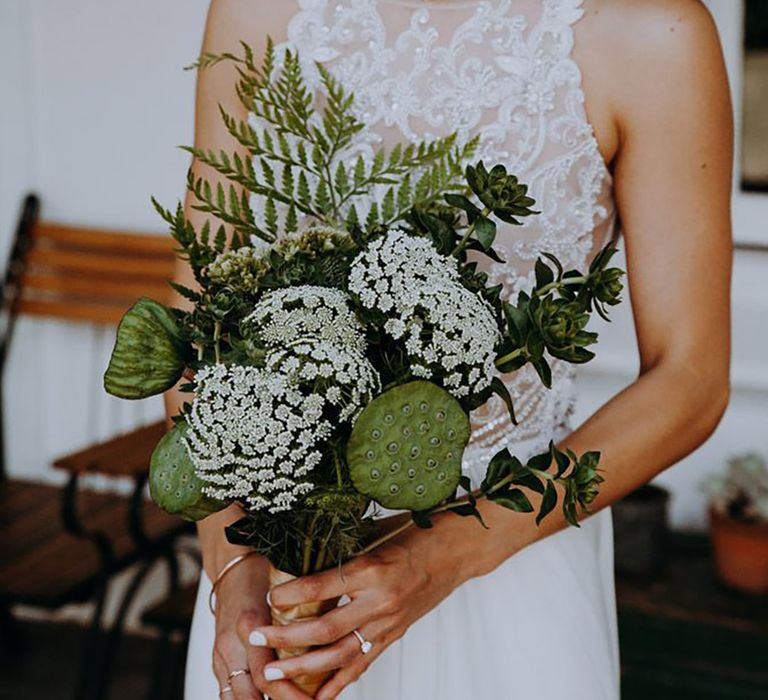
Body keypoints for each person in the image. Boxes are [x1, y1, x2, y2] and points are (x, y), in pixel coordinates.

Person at [166, 1, 733, 698]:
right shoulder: (260, 10)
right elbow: (199, 324)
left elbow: (690, 379)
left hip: (507, 561)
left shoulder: (653, 32)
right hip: (279, 575)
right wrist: (233, 564)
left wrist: (442, 557)